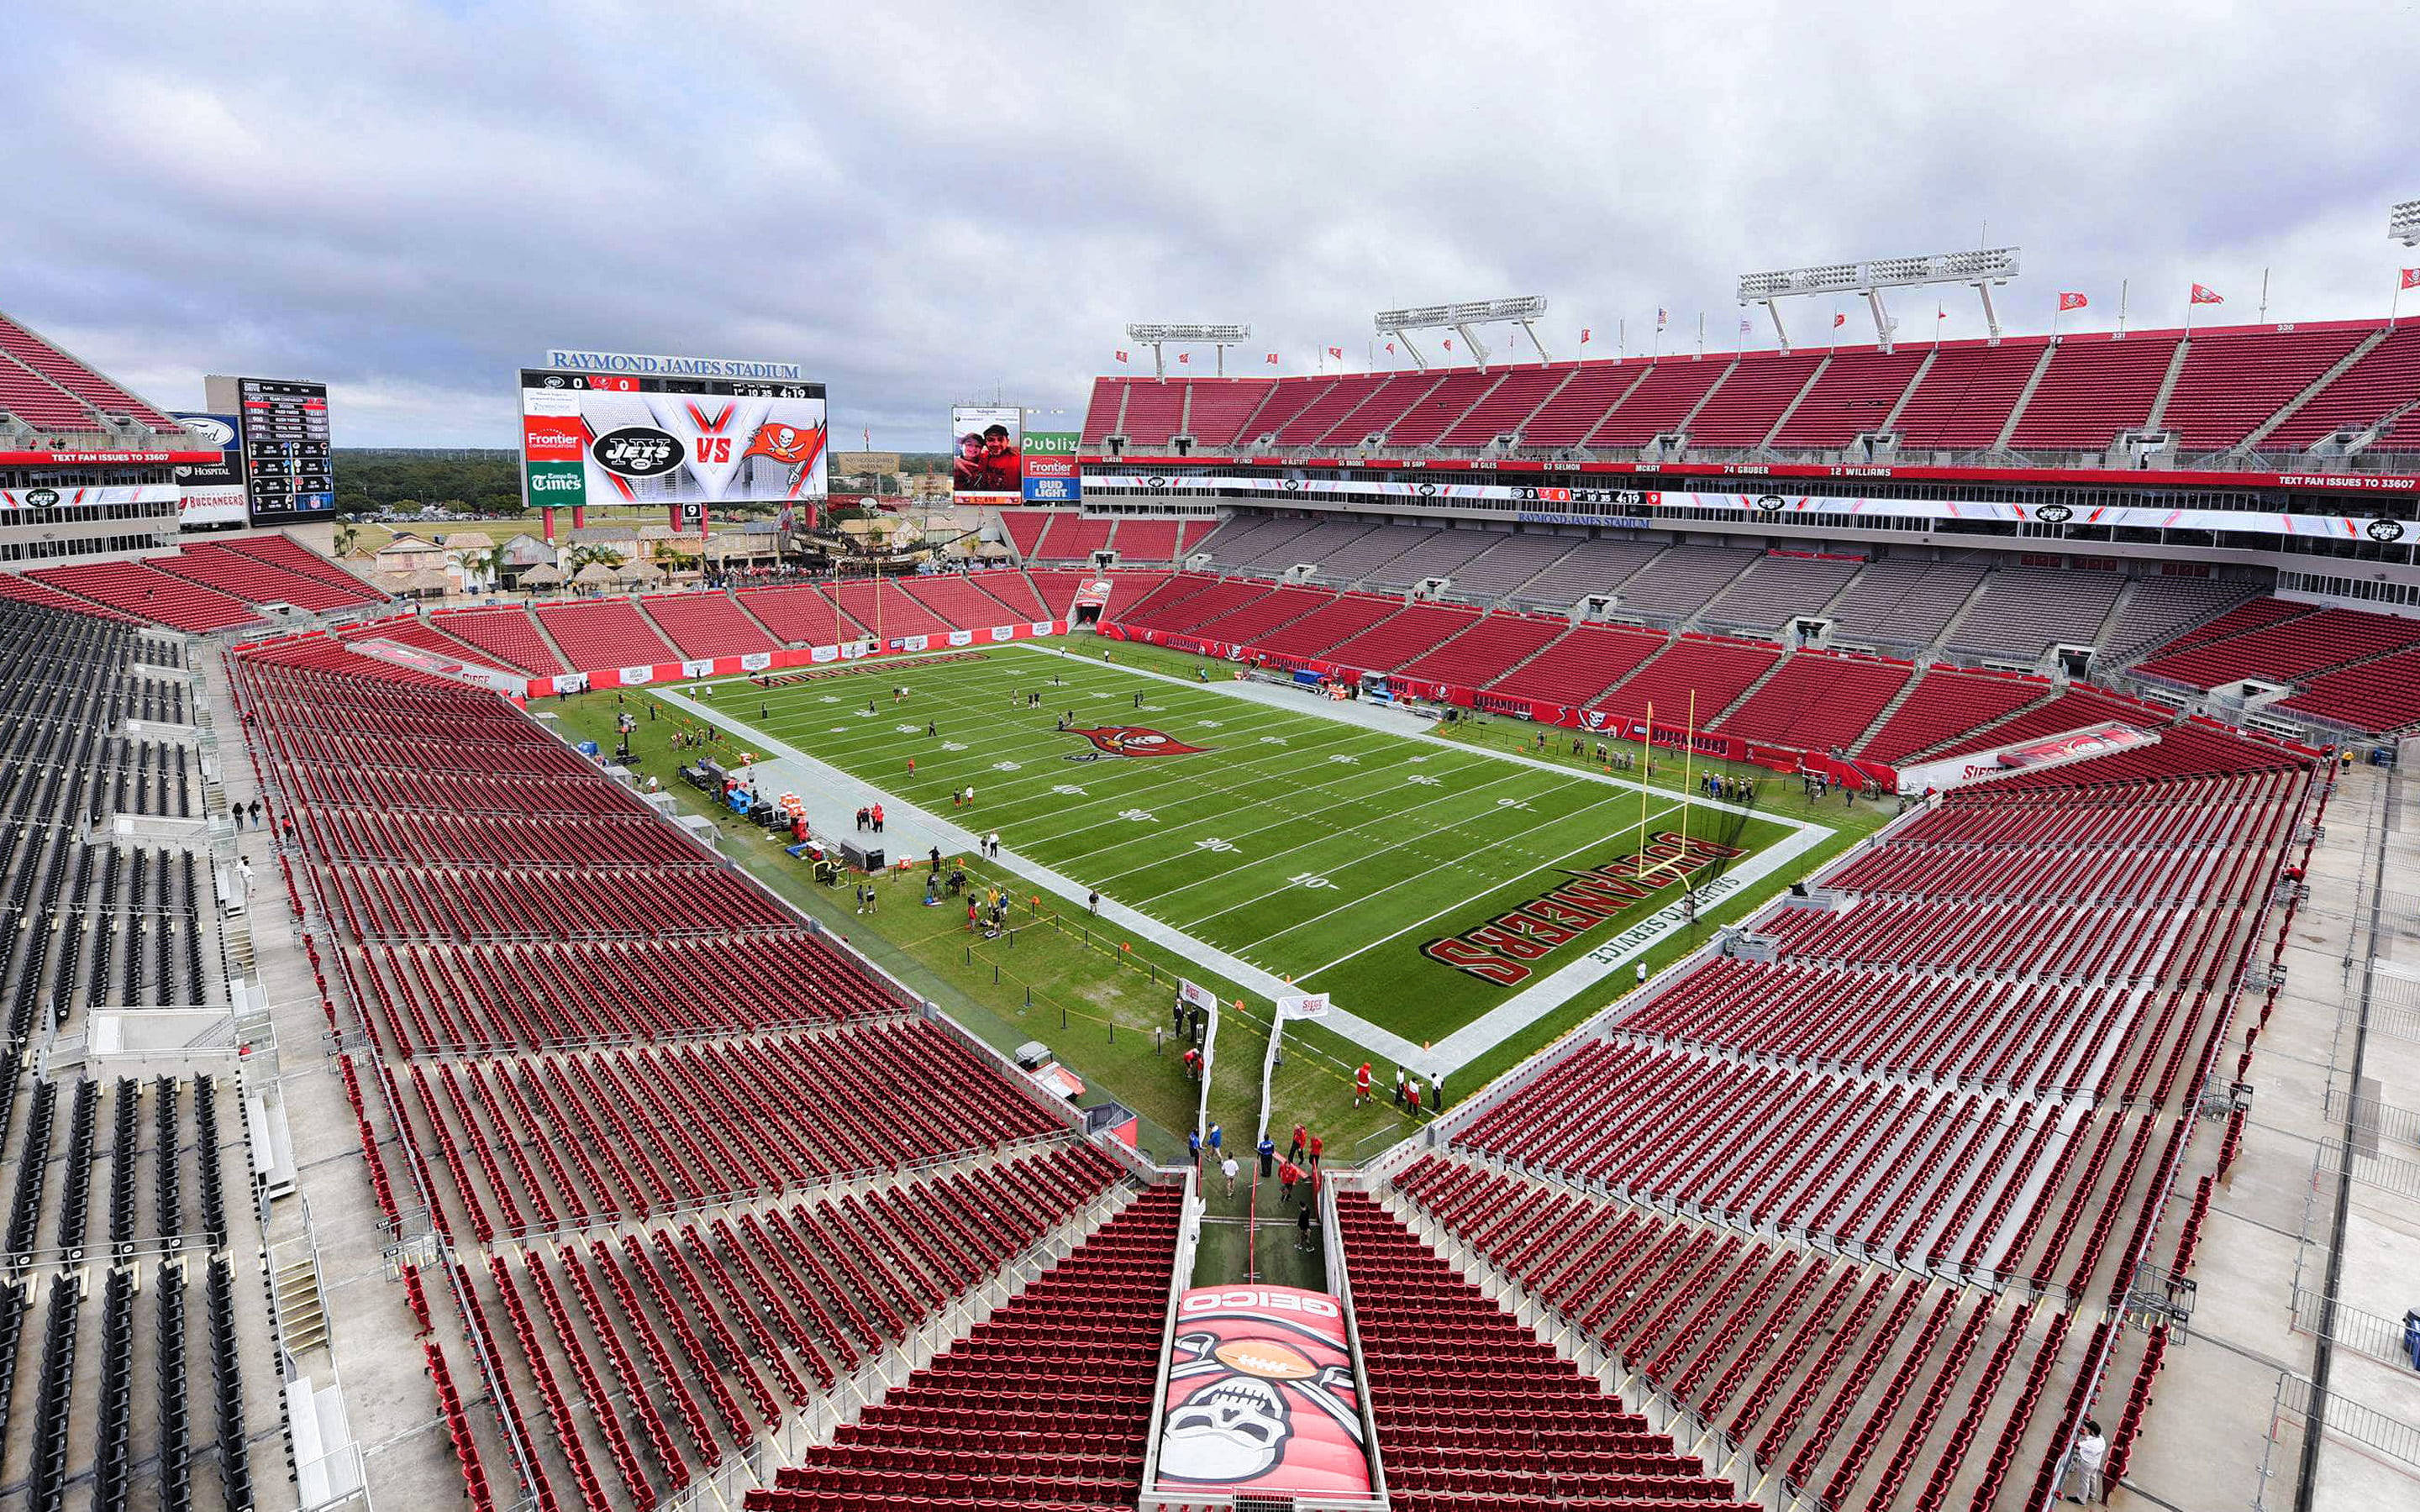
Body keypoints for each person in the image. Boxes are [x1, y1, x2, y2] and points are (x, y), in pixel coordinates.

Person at [2062, 1420, 2107, 1504]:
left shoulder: (2091, 1443)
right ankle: (2092, 1494)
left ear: (2092, 1432)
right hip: (2096, 1463)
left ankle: (2081, 1499)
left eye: (2088, 1429)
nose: (2087, 1430)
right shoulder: (2101, 1439)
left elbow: (2077, 1444)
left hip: (2087, 1464)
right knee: (2093, 1477)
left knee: (2084, 1481)